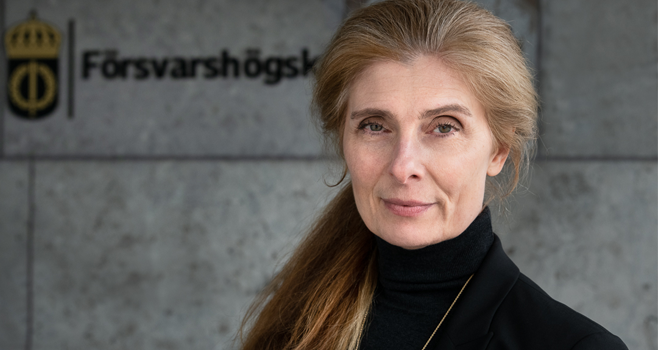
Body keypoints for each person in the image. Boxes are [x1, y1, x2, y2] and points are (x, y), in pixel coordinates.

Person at [239, 0, 629, 349]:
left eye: (444, 127)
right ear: (343, 139)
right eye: (375, 126)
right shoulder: (296, 321)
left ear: (499, 150)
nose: (402, 166)